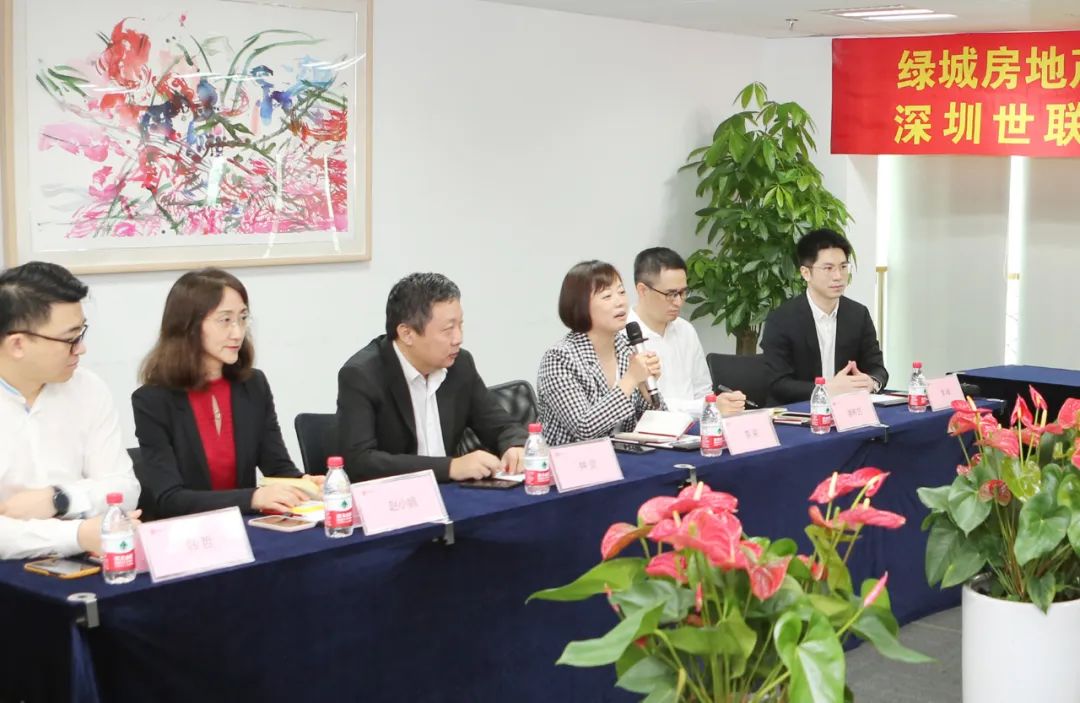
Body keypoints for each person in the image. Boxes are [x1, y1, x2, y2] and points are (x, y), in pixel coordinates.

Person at [133, 268, 319, 519]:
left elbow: (277, 466)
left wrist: (304, 484)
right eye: (225, 320)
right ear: (189, 326)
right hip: (187, 532)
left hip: (245, 528)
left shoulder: (253, 385)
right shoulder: (152, 401)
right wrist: (252, 498)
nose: (238, 332)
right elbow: (170, 499)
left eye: (242, 318)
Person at [0, 261, 140, 559]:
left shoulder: (88, 388)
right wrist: (78, 534)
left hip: (82, 559)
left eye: (81, 333)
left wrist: (60, 500)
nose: (81, 349)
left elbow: (125, 489)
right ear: (18, 345)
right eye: (70, 339)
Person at [337, 273, 528, 482]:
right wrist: (450, 467)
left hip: (453, 494)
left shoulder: (460, 364)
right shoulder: (362, 375)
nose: (458, 338)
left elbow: (501, 425)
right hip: (397, 496)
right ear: (407, 334)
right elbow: (360, 461)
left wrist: (514, 445)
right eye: (448, 329)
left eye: (460, 325)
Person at [537, 260, 664, 446]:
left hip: (626, 456)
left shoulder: (626, 348)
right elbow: (584, 428)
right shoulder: (559, 358)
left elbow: (658, 428)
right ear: (580, 305)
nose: (620, 302)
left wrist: (648, 395)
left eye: (621, 292)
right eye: (607, 296)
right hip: (575, 460)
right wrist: (630, 379)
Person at [761, 229, 888, 405]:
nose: (838, 276)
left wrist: (871, 382)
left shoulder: (858, 314)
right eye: (828, 268)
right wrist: (826, 389)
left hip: (846, 410)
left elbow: (878, 368)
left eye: (843, 267)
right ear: (806, 273)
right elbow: (778, 383)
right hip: (798, 412)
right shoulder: (781, 319)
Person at [628, 247, 745, 417]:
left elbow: (702, 390)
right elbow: (639, 406)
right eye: (671, 294)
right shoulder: (621, 335)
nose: (678, 302)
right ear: (643, 290)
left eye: (683, 292)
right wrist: (703, 406)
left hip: (694, 427)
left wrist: (714, 405)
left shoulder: (685, 329)